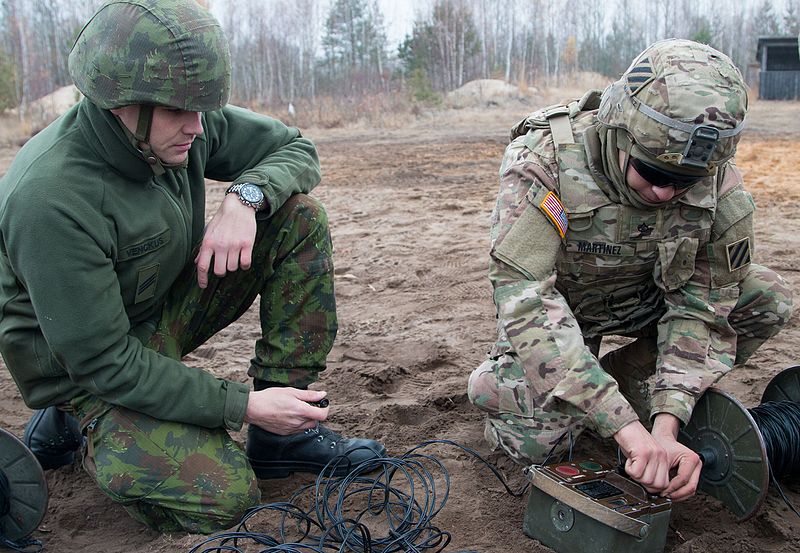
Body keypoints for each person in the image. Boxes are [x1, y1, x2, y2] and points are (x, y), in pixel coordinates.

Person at [0, 0, 385, 534]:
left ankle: (284, 438)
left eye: (201, 108)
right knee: (224, 498)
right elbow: (104, 363)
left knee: (296, 216)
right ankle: (75, 425)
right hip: (86, 371)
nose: (197, 127)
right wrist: (243, 405)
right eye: (181, 111)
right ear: (122, 105)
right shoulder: (52, 199)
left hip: (154, 316)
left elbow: (296, 148)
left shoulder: (179, 123)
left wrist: (246, 198)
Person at [467, 39, 793, 502]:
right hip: (565, 314)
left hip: (647, 302)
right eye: (652, 173)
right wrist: (620, 424)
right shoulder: (548, 162)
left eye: (684, 183)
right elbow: (526, 298)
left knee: (766, 296)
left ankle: (632, 381)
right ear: (621, 132)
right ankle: (505, 381)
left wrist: (667, 421)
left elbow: (703, 307)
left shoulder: (720, 185)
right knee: (539, 443)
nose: (665, 193)